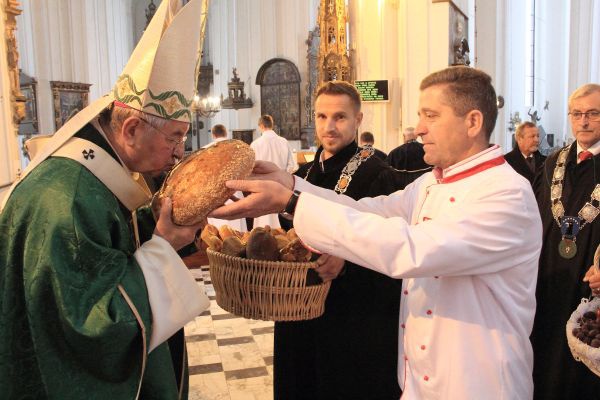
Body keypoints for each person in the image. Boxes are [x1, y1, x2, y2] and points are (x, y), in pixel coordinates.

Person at [211, 66, 542, 399]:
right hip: (420, 380)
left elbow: (412, 249)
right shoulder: (434, 181)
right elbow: (371, 210)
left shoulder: (507, 193)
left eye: (431, 115)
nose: (419, 128)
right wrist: (292, 185)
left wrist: (295, 203)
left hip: (477, 382)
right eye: (419, 115)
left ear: (472, 122)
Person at [0, 1, 210, 398]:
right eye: (174, 137)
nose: (180, 152)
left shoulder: (100, 174)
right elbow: (93, 326)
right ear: (131, 128)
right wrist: (165, 244)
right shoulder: (69, 198)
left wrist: (163, 224)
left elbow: (116, 245)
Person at [274, 81, 404, 400]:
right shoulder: (301, 175)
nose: (328, 126)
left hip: (350, 317)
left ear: (358, 120)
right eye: (321, 116)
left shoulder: (377, 173)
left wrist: (346, 262)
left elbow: (390, 248)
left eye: (340, 117)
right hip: (297, 312)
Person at [531, 83, 600, 400]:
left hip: (591, 283)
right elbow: (532, 217)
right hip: (548, 279)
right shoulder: (552, 162)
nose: (584, 121)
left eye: (593, 113)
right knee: (544, 360)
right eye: (577, 114)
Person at [251, 114, 297, 228]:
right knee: (281, 229)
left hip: (261, 189)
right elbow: (293, 166)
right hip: (283, 188)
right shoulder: (283, 142)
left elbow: (250, 169)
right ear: (272, 125)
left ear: (261, 126)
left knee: (263, 227)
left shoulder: (256, 144)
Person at [204, 124, 247, 233]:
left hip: (214, 193)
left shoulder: (205, 150)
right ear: (226, 133)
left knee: (218, 228)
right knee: (237, 225)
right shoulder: (237, 146)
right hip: (234, 189)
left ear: (213, 135)